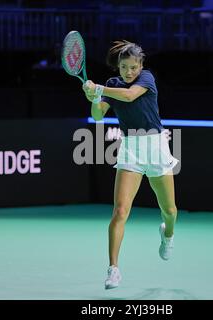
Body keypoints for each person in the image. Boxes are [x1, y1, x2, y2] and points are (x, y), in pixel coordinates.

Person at [82, 40, 179, 289]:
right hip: (130, 149)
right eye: (124, 67)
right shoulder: (114, 84)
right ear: (118, 67)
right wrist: (94, 97)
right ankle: (113, 269)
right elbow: (97, 115)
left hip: (156, 147)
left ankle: (167, 235)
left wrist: (99, 88)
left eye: (133, 67)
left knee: (169, 211)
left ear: (141, 65)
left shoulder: (146, 79)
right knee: (120, 211)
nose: (129, 72)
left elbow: (129, 95)